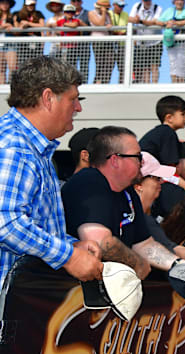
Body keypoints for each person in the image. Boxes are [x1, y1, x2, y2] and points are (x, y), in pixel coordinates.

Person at [62, 126, 185, 289]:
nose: (142, 162)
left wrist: (179, 264)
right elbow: (100, 241)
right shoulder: (88, 182)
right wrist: (139, 265)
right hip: (74, 295)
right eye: (137, 156)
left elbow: (144, 245)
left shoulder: (127, 191)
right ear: (115, 160)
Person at [0, 56, 102, 289]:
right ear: (48, 98)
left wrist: (70, 246)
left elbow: (33, 226)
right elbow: (5, 222)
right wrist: (68, 256)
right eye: (73, 99)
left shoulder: (33, 147)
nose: (78, 108)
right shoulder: (13, 147)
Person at [134, 151, 185, 260]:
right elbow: (171, 249)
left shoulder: (146, 216)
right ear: (139, 185)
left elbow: (171, 246)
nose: (161, 182)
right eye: (156, 178)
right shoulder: (138, 219)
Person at [139, 95, 185, 167]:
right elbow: (170, 168)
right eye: (183, 114)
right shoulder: (168, 133)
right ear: (169, 118)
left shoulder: (161, 132)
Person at [128, 0, 163, 83]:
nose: (147, 2)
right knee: (145, 67)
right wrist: (135, 20)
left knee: (154, 66)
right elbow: (130, 19)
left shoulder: (157, 8)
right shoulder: (137, 6)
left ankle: (154, 86)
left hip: (155, 42)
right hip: (141, 42)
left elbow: (154, 22)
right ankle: (146, 84)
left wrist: (139, 21)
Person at [158, 0, 185, 82]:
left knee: (181, 64)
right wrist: (167, 23)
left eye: (181, 0)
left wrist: (175, 23)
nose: (179, 2)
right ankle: (174, 85)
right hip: (171, 42)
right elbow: (158, 21)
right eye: (177, 0)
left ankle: (181, 86)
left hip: (183, 42)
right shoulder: (169, 10)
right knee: (172, 64)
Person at [13, 0, 45, 66]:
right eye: (30, 4)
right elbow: (16, 27)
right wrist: (21, 25)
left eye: (33, 4)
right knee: (23, 64)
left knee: (36, 64)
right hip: (23, 44)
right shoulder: (17, 14)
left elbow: (42, 25)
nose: (31, 6)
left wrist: (28, 23)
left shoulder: (38, 13)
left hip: (36, 43)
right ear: (25, 4)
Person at [53, 4, 85, 69]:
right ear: (64, 12)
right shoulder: (60, 21)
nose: (70, 13)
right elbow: (52, 25)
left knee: (72, 66)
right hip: (62, 47)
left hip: (73, 48)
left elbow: (74, 25)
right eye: (68, 12)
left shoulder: (76, 20)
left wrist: (64, 24)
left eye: (72, 12)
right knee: (61, 66)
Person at [109, 0, 129, 83]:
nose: (121, 8)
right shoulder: (109, 13)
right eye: (120, 5)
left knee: (123, 67)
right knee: (108, 67)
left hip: (122, 44)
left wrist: (123, 33)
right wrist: (116, 33)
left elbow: (128, 27)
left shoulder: (126, 14)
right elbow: (108, 28)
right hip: (111, 45)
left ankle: (122, 84)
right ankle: (104, 85)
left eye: (123, 6)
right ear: (114, 5)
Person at [0, 0, 17, 85]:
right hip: (0, 44)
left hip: (10, 43)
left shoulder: (13, 16)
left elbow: (16, 30)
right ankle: (1, 87)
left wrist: (11, 26)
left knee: (12, 67)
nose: (5, 5)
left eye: (7, 3)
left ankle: (11, 86)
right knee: (1, 69)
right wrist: (4, 26)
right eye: (2, 3)